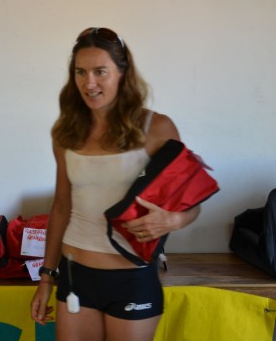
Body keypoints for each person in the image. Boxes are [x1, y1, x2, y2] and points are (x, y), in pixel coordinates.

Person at [30, 27, 201, 341]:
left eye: (100, 71)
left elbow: (192, 203)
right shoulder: (65, 132)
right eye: (80, 72)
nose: (89, 83)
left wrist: (174, 220)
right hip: (75, 274)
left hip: (132, 278)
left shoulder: (157, 128)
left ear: (123, 73)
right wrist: (46, 278)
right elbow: (61, 206)